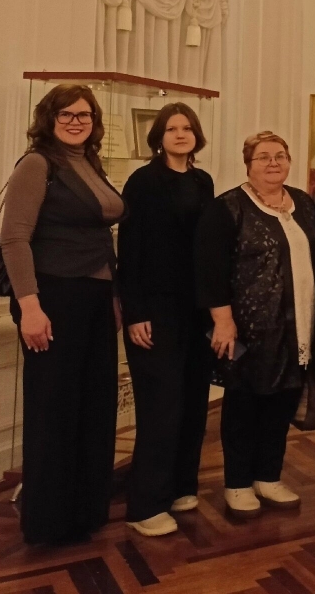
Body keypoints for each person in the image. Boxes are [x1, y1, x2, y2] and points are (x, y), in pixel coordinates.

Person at [0, 84, 125, 546]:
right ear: (49, 119)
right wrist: (30, 307)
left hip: (94, 299)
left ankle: (85, 512)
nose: (76, 122)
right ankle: (49, 523)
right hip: (53, 298)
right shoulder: (38, 164)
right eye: (66, 114)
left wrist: (112, 299)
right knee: (54, 411)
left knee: (94, 407)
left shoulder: (89, 162)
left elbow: (101, 237)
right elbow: (14, 238)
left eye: (84, 114)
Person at [195, 131, 315, 517]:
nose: (273, 163)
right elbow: (209, 271)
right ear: (248, 164)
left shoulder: (303, 203)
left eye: (280, 156)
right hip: (248, 329)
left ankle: (268, 477)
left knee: (283, 401)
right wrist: (223, 322)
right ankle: (238, 483)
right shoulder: (227, 208)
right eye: (264, 157)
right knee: (244, 405)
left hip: (299, 324)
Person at [117, 103, 215, 537]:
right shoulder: (143, 181)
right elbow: (130, 250)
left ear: (196, 135)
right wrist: (135, 313)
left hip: (196, 309)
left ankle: (180, 486)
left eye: (187, 127)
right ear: (159, 136)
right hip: (155, 310)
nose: (180, 134)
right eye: (172, 128)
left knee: (193, 400)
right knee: (161, 405)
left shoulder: (202, 181)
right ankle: (144, 505)